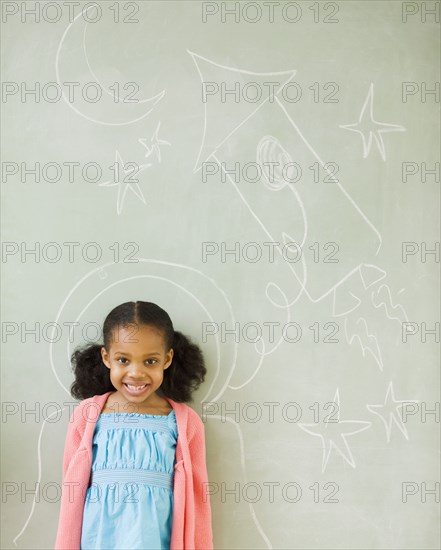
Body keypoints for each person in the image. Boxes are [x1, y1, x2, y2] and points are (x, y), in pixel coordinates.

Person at [54, 301, 214, 550]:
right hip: (98, 539)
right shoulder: (87, 416)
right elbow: (71, 492)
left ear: (167, 359)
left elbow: (197, 500)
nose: (136, 373)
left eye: (150, 361)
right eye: (123, 360)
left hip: (154, 539)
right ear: (107, 358)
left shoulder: (184, 421)